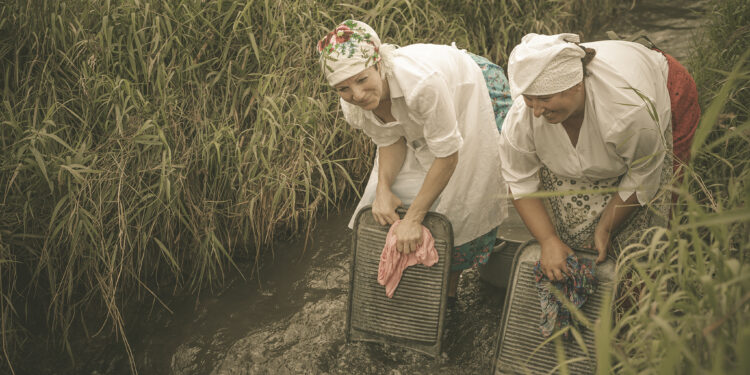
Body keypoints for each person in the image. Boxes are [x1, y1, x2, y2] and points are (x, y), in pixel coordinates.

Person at [316, 20, 512, 301]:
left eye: (362, 79)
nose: (356, 95)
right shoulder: (352, 102)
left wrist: (412, 219)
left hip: (470, 87)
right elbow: (390, 140)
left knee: (468, 192)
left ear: (379, 64)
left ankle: (450, 291)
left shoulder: (421, 84)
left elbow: (447, 156)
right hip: (427, 107)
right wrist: (383, 190)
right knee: (387, 193)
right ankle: (424, 286)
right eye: (343, 88)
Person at [498, 33, 699, 282]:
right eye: (529, 99)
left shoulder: (629, 112)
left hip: (666, 87)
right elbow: (519, 180)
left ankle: (669, 280)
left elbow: (643, 173)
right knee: (571, 229)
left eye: (545, 100)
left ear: (576, 85)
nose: (536, 111)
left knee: (664, 205)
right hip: (610, 115)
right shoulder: (521, 118)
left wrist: (605, 226)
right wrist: (547, 240)